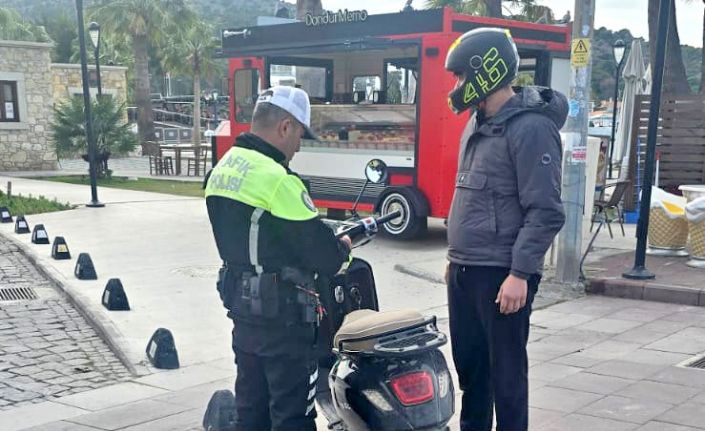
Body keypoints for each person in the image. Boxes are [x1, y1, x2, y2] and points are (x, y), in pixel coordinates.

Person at [204, 85, 352, 431]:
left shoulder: (224, 168)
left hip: (244, 314)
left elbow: (265, 238)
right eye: (300, 133)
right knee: (292, 416)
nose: (299, 145)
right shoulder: (278, 180)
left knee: (251, 411)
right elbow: (323, 256)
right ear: (285, 127)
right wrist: (342, 246)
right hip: (284, 320)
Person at [443, 28, 567, 431]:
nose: (457, 86)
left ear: (487, 70)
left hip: (501, 275)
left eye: (461, 76)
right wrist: (453, 259)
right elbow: (471, 196)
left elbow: (545, 211)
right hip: (465, 270)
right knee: (472, 375)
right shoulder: (476, 122)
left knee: (507, 379)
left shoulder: (530, 128)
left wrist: (519, 274)